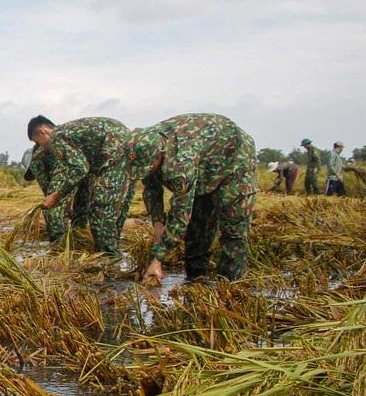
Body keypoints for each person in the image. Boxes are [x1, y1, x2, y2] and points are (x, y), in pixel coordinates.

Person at [128, 113, 256, 283]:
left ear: (160, 155)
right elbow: (151, 188)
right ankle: (195, 279)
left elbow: (180, 216)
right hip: (204, 162)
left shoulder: (180, 162)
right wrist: (158, 224)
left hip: (235, 158)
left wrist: (157, 260)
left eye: (148, 167)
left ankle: (231, 284)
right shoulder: (142, 143)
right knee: (198, 224)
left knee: (233, 227)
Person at [26, 115, 133, 255]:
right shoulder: (71, 132)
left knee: (100, 212)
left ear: (42, 131)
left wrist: (57, 195)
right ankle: (111, 250)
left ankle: (108, 260)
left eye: (38, 142)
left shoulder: (56, 137)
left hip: (115, 152)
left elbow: (79, 168)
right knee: (118, 207)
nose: (40, 146)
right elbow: (85, 169)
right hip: (130, 146)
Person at [23, 143, 72, 243]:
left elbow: (48, 192)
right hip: (74, 174)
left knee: (50, 210)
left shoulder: (35, 161)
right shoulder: (53, 150)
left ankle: (58, 243)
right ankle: (73, 236)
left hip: (64, 177)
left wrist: (50, 201)